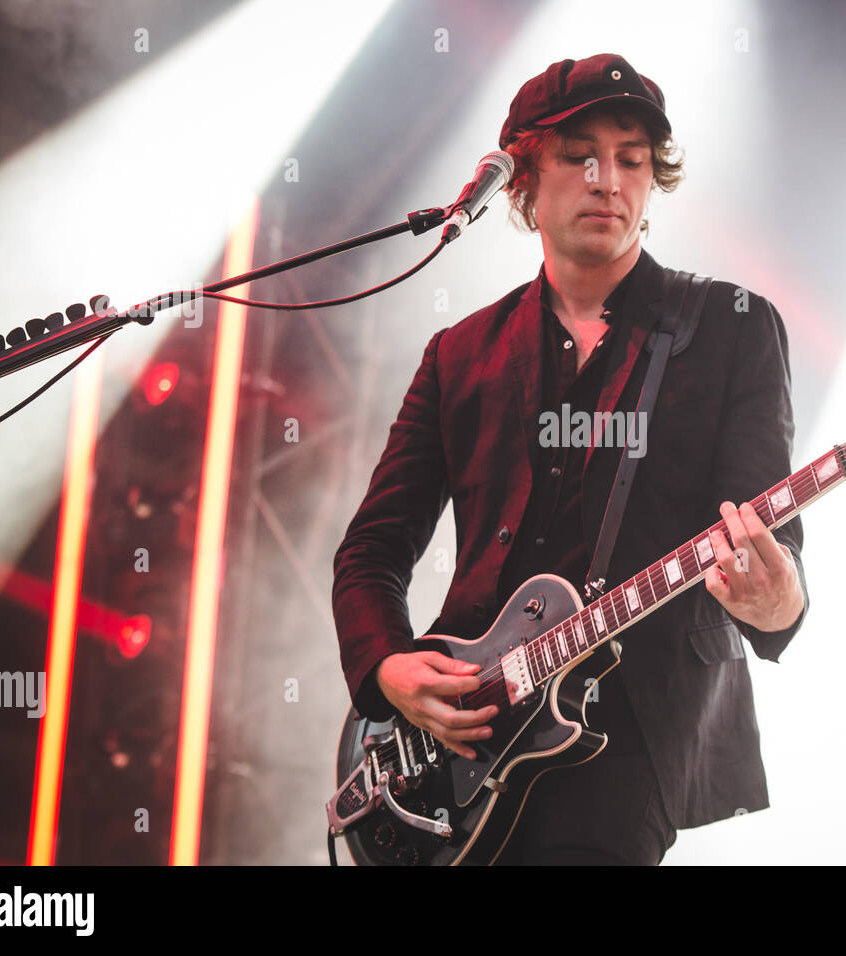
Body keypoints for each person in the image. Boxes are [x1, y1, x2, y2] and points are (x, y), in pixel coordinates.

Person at [332, 53, 807, 865]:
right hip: (459, 743)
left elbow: (766, 549)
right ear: (521, 175)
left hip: (628, 741)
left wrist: (777, 602)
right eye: (581, 155)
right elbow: (371, 551)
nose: (609, 179)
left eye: (631, 160)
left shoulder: (728, 326)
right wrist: (388, 672)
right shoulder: (461, 352)